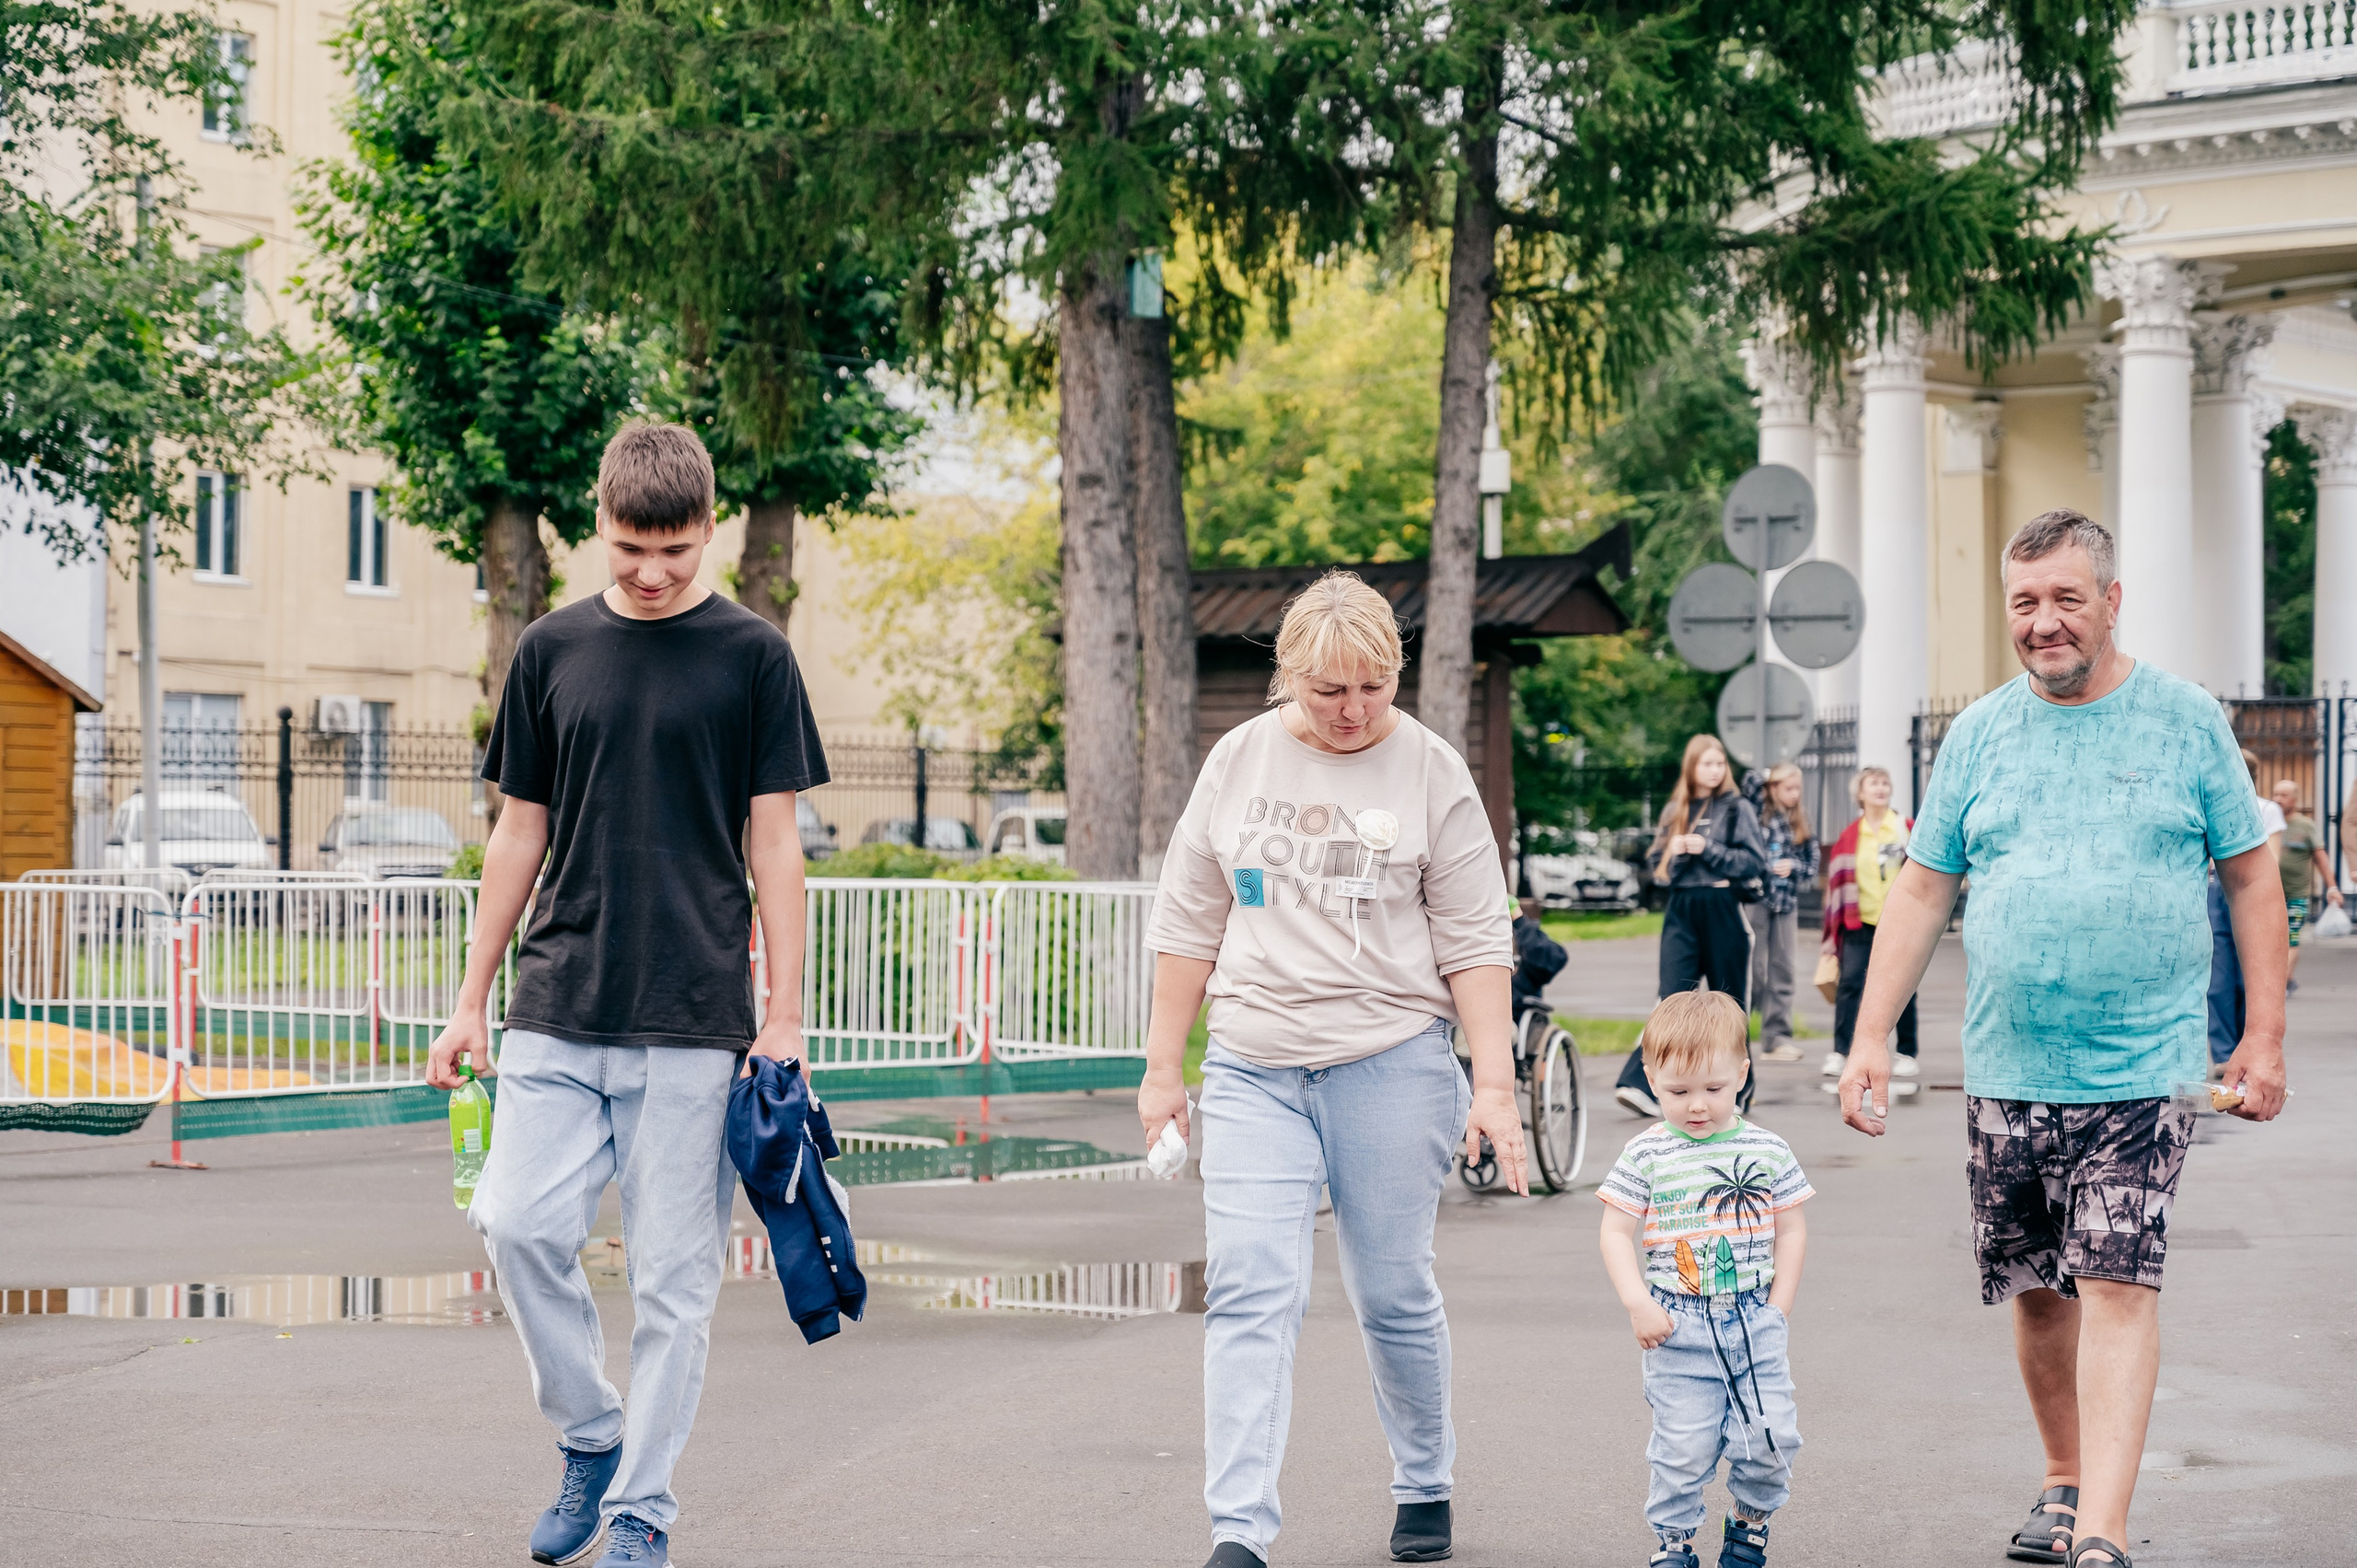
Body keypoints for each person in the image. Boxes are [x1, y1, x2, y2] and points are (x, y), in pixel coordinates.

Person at [1838, 510, 2287, 1568]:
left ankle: (2102, 1531)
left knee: (2120, 1280)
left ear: (2111, 601)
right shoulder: (1980, 733)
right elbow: (1919, 889)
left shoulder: (2184, 721)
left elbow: (2252, 874)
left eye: (2065, 599)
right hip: (2006, 1064)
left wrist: (2260, 1034)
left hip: (2145, 1067)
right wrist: (1867, 1039)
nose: (2043, 623)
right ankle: (2061, 1478)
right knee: (2039, 1284)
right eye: (2025, 603)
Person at [425, 423, 829, 1568]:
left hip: (697, 1020)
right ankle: (592, 1433)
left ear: (708, 528)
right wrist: (469, 1000)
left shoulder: (754, 655)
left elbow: (776, 841)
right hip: (555, 1001)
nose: (652, 572)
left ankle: (644, 1505)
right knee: (514, 1223)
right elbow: (518, 830)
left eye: (677, 551)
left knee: (673, 1283)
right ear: (595, 523)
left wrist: (783, 1014)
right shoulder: (551, 649)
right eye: (629, 549)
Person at [1139, 570, 1529, 1568]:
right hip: (1255, 1064)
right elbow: (1189, 922)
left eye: (1372, 686)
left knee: (1391, 1286)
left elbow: (1476, 938)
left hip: (1389, 1061)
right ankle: (1239, 1529)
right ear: (1289, 678)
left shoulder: (1432, 770)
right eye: (1328, 691)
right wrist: (1161, 1071)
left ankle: (1424, 1474)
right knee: (1250, 1289)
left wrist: (1493, 1083)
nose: (1353, 710)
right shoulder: (1237, 760)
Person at [1598, 989, 1810, 1568]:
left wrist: (1778, 1308)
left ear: (1742, 1073)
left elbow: (1790, 1230)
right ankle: (1675, 1542)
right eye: (1677, 1091)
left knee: (1771, 1439)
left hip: (1753, 1319)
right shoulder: (1645, 1154)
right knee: (1683, 1448)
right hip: (1676, 1325)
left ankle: (1748, 1524)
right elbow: (1615, 1232)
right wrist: (1637, 1302)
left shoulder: (1767, 1149)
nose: (1697, 1106)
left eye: (1714, 1089)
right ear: (1649, 1076)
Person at [1613, 736, 1768, 1120]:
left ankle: (1739, 1090)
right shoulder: (1676, 809)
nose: (1714, 770)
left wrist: (1707, 849)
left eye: (1720, 763)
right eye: (1707, 764)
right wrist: (1677, 853)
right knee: (1670, 1000)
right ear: (1692, 768)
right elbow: (1657, 872)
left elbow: (1754, 863)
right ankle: (1639, 1082)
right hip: (1682, 906)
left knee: (1730, 1003)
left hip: (1722, 907)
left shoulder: (1737, 808)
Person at [1818, 767, 1920, 1093]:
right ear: (1859, 794)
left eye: (1885, 783)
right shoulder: (1851, 835)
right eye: (1873, 783)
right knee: (1850, 984)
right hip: (1858, 921)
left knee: (1903, 984)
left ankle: (1905, 1052)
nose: (1880, 788)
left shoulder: (1905, 829)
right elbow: (1837, 884)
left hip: (1899, 921)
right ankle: (1841, 1051)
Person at [2204, 749, 2284, 1063]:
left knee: (2241, 976)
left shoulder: (2267, 809)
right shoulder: (2214, 804)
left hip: (2240, 889)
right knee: (2220, 979)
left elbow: (2272, 858)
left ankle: (2240, 1048)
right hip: (2217, 890)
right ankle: (2225, 1054)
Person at [1742, 763, 1817, 1064]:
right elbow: (1748, 784)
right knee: (1752, 970)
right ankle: (1736, 1037)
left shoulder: (1799, 820)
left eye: (1797, 788)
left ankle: (1777, 1037)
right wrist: (1769, 773)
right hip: (1755, 900)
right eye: (1787, 787)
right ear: (1773, 788)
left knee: (1783, 969)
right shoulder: (1755, 812)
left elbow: (1811, 865)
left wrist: (1794, 867)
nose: (1794, 794)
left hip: (1785, 904)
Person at [2271, 777, 2341, 991]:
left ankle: (2280, 984)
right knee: (2272, 940)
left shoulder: (2305, 826)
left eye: (2283, 795)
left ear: (2294, 799)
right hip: (2270, 894)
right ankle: (2288, 979)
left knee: (2291, 938)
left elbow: (2321, 858)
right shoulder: (2267, 822)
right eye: (2275, 794)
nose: (2278, 799)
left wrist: (2332, 887)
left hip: (2296, 894)